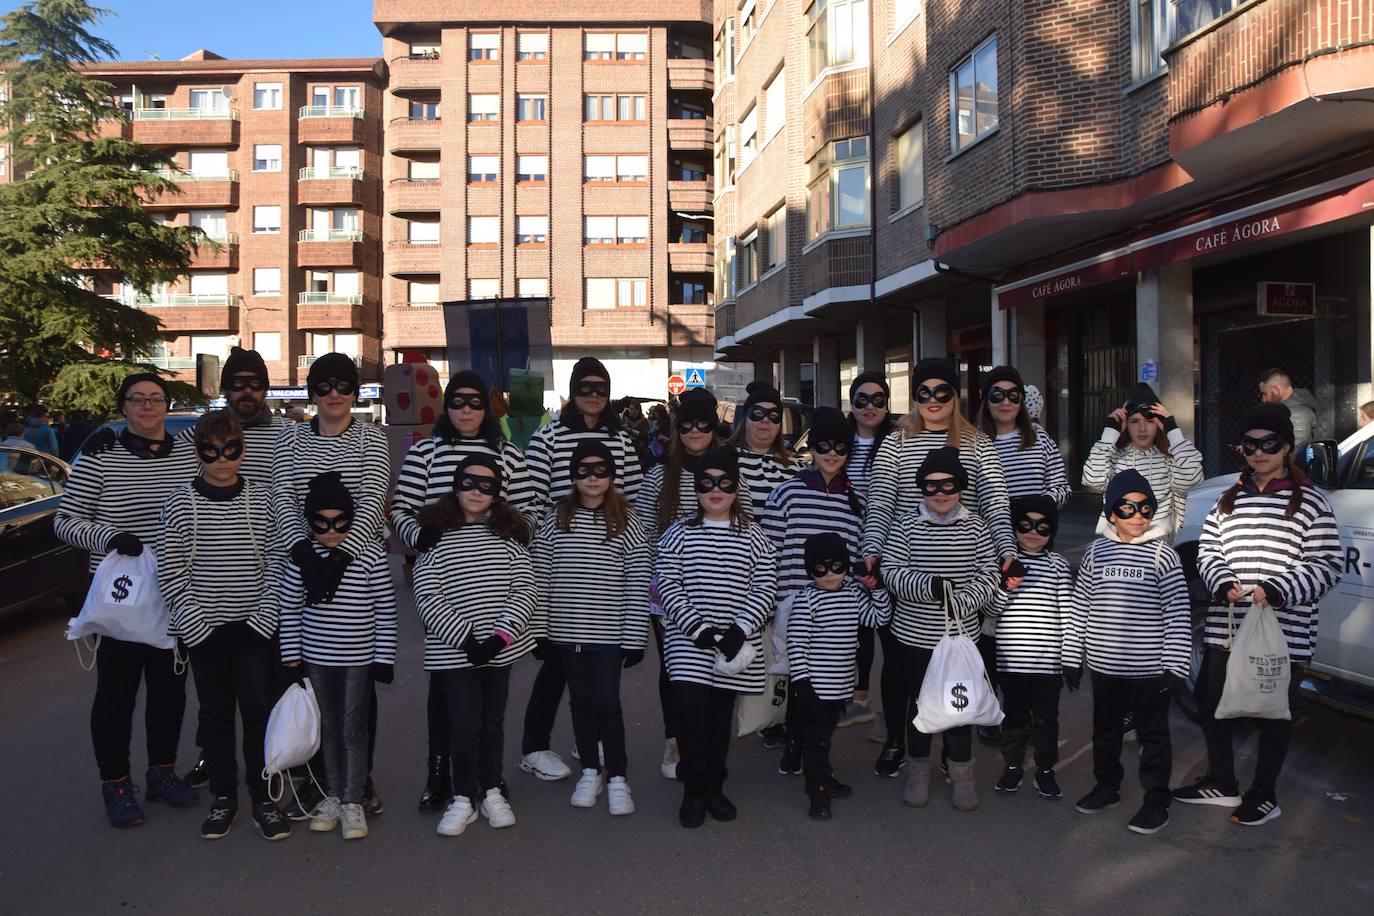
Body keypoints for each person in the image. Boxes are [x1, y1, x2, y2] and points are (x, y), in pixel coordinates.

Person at [1173, 403, 1341, 826]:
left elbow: (1326, 564)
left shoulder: (1312, 503)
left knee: (1274, 710)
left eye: (1270, 443)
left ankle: (1264, 794)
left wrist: (1279, 590)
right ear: (1241, 448)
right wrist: (1221, 581)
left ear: (1286, 447)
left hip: (1284, 628)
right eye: (1251, 444)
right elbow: (1208, 552)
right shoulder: (1227, 499)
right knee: (1212, 701)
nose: (1259, 451)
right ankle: (1222, 781)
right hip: (1225, 624)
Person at [54, 373, 201, 828]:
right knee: (116, 695)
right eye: (137, 400)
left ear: (166, 406)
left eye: (156, 399)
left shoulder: (187, 456)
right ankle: (116, 784)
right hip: (120, 596)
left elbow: (232, 425)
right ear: (123, 409)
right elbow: (65, 521)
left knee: (169, 691)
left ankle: (161, 771)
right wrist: (110, 537)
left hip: (173, 592)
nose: (147, 406)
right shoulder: (99, 458)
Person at [861, 357, 1013, 779]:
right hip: (907, 565)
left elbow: (997, 502)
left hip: (965, 567)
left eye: (941, 391)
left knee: (963, 662)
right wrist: (873, 550)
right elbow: (880, 504)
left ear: (955, 394)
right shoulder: (896, 441)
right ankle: (899, 740)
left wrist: (1004, 552)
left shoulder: (978, 442)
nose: (932, 400)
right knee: (901, 667)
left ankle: (954, 750)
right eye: (922, 392)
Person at [391, 369, 536, 812]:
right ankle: (442, 771)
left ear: (487, 407)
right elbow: (401, 509)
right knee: (445, 687)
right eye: (458, 401)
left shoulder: (508, 455)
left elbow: (529, 513)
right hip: (443, 582)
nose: (466, 410)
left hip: (493, 582)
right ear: (446, 406)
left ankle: (487, 777)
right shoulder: (425, 454)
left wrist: (499, 539)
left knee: (491, 694)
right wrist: (422, 540)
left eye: (475, 402)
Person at [157, 410, 288, 841]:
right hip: (205, 634)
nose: (221, 459)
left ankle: (262, 797)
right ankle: (224, 797)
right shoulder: (178, 503)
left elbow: (277, 565)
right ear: (198, 452)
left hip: (254, 631)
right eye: (211, 451)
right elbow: (172, 573)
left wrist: (262, 621)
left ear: (242, 450)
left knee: (257, 715)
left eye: (230, 450)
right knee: (214, 717)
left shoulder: (263, 499)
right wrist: (199, 629)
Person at [270, 352, 391, 818]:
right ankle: (322, 780)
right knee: (315, 687)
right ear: (311, 393)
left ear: (356, 393)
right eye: (323, 387)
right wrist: (303, 553)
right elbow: (281, 495)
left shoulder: (370, 439)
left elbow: (371, 496)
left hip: (356, 562)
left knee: (359, 695)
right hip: (303, 563)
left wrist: (340, 558)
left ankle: (360, 781)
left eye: (343, 386)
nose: (334, 395)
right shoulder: (290, 437)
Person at [520, 358, 644, 782]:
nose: (593, 395)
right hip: (562, 556)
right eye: (585, 387)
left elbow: (629, 496)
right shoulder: (549, 436)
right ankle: (534, 746)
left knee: (591, 668)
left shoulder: (620, 440)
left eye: (600, 387)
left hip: (605, 559)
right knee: (556, 665)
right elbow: (531, 497)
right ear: (573, 390)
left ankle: (586, 738)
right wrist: (545, 542)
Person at [177, 345, 287, 791]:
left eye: (255, 383)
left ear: (265, 388)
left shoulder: (285, 435)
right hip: (208, 578)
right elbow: (168, 465)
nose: (246, 391)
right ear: (224, 389)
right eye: (237, 383)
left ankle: (273, 763)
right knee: (214, 696)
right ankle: (213, 758)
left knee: (266, 687)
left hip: (266, 572)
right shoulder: (198, 437)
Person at [412, 455, 536, 837]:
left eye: (486, 485)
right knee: (463, 724)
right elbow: (427, 594)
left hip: (499, 649)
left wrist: (500, 637)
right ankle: (463, 796)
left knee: (492, 722)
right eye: (469, 483)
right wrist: (465, 639)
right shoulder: (435, 538)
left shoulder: (509, 538)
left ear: (497, 493)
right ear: (456, 486)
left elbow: (524, 589)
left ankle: (492, 788)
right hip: (455, 651)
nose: (476, 492)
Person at [1062, 469, 1190, 835]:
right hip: (1104, 667)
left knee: (1153, 736)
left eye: (1145, 508)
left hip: (1149, 670)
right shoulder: (1095, 553)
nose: (1137, 516)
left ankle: (1156, 800)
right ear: (1111, 513)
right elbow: (1080, 607)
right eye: (1128, 508)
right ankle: (1107, 786)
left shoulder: (1163, 558)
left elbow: (1179, 615)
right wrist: (1072, 657)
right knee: (1105, 731)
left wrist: (1176, 667)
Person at [657, 445, 777, 828]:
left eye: (725, 483)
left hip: (735, 645)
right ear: (696, 489)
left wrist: (739, 630)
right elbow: (669, 586)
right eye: (706, 483)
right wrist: (701, 630)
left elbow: (765, 587)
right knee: (689, 715)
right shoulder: (678, 533)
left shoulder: (754, 536)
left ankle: (713, 785)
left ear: (736, 488)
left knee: (718, 716)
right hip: (688, 643)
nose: (716, 490)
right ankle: (693, 788)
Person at [532, 441, 651, 815]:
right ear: (572, 476)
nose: (592, 478)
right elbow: (541, 573)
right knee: (580, 703)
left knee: (607, 704)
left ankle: (617, 776)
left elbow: (638, 579)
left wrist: (634, 637)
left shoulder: (628, 520)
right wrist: (540, 630)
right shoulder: (557, 518)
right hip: (566, 635)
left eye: (601, 470)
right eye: (583, 471)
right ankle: (589, 770)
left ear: (612, 476)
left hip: (610, 637)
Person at [279, 472, 398, 841]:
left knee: (353, 729)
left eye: (340, 523)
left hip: (358, 660)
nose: (330, 531)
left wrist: (384, 657)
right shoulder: (301, 559)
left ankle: (353, 799)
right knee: (327, 727)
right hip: (317, 659)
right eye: (320, 523)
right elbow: (289, 609)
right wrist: (291, 659)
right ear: (309, 522)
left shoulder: (369, 556)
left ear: (352, 520)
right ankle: (331, 794)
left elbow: (385, 607)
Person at [880, 447, 999, 812]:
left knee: (958, 706)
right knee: (921, 706)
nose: (940, 493)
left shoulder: (977, 526)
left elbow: (990, 574)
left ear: (960, 486)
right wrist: (929, 586)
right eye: (931, 487)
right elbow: (891, 570)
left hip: (962, 637)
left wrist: (960, 600)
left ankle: (961, 772)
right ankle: (917, 771)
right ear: (922, 491)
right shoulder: (905, 525)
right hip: (914, 636)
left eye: (948, 485)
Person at [761, 407, 867, 776]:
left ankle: (807, 746)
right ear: (813, 448)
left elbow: (854, 559)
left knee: (824, 678)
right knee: (795, 676)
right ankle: (796, 744)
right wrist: (770, 602)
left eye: (840, 446)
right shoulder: (786, 493)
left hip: (836, 606)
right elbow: (769, 550)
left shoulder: (856, 501)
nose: (832, 453)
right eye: (824, 445)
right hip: (791, 602)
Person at [973, 365, 1071, 745]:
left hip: (1034, 549)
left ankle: (1027, 712)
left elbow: (1061, 486)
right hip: (986, 552)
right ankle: (994, 709)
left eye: (1013, 394)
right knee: (990, 633)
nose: (1006, 402)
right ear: (986, 399)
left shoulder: (1039, 439)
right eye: (997, 394)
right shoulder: (973, 442)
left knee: (1027, 633)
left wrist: (1037, 509)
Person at [635, 387, 722, 779]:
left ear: (714, 426)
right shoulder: (660, 474)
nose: (694, 430)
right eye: (685, 423)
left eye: (703, 422)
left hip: (722, 586)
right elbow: (639, 531)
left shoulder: (727, 471)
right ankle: (676, 739)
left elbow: (746, 523)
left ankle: (707, 739)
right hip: (669, 590)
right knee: (674, 666)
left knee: (712, 663)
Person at [786, 532, 890, 820]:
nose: (830, 574)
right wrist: (802, 682)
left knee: (825, 737)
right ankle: (817, 789)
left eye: (837, 567)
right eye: (820, 568)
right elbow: (796, 644)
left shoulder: (854, 593)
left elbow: (878, 618)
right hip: (814, 688)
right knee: (816, 741)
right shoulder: (806, 600)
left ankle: (823, 777)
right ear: (811, 571)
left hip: (840, 686)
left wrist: (877, 589)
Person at [985, 495, 1072, 800]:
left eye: (1043, 526)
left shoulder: (1058, 564)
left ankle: (1045, 770)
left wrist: (1071, 659)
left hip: (1048, 663)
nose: (1033, 532)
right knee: (1014, 717)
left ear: (1052, 531)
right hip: (1011, 663)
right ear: (1014, 527)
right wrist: (1006, 586)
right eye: (1025, 525)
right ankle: (1012, 766)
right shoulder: (1004, 563)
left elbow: (1068, 613)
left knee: (1048, 720)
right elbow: (992, 612)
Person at [840, 372, 896, 732]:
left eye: (878, 400)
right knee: (855, 626)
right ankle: (859, 698)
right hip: (847, 547)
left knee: (891, 630)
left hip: (889, 548)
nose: (870, 407)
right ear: (852, 404)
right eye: (862, 400)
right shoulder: (838, 441)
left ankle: (895, 717)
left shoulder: (898, 442)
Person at [1082, 382, 1203, 536]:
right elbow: (1092, 481)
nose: (1142, 428)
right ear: (1125, 424)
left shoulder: (1171, 459)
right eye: (1134, 421)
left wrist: (1172, 430)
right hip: (1119, 548)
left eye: (1149, 421)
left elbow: (1190, 482)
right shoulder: (1113, 457)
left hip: (1160, 549)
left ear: (1159, 424)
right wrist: (1110, 433)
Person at [729, 381, 804, 515]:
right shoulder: (724, 460)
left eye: (774, 416)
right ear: (745, 419)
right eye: (758, 414)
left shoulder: (798, 469)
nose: (765, 420)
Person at [1258, 368, 1321, 445]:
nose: (1264, 400)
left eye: (1265, 394)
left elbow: (1296, 449)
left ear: (1277, 390)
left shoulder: (1296, 413)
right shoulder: (1289, 410)